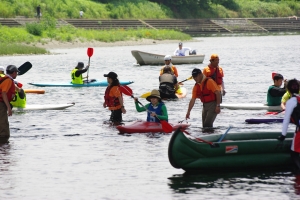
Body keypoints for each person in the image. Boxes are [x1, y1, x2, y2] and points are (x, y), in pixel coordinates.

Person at [277, 79, 300, 169]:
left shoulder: (291, 102)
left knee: (294, 154)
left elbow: (286, 119)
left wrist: (283, 135)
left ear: (288, 90)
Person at [0, 65, 18, 142]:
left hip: (2, 103)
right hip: (1, 104)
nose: (17, 74)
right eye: (16, 73)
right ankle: (4, 142)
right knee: (3, 124)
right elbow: (4, 93)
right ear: (14, 73)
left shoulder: (7, 79)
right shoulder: (8, 80)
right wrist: (8, 107)